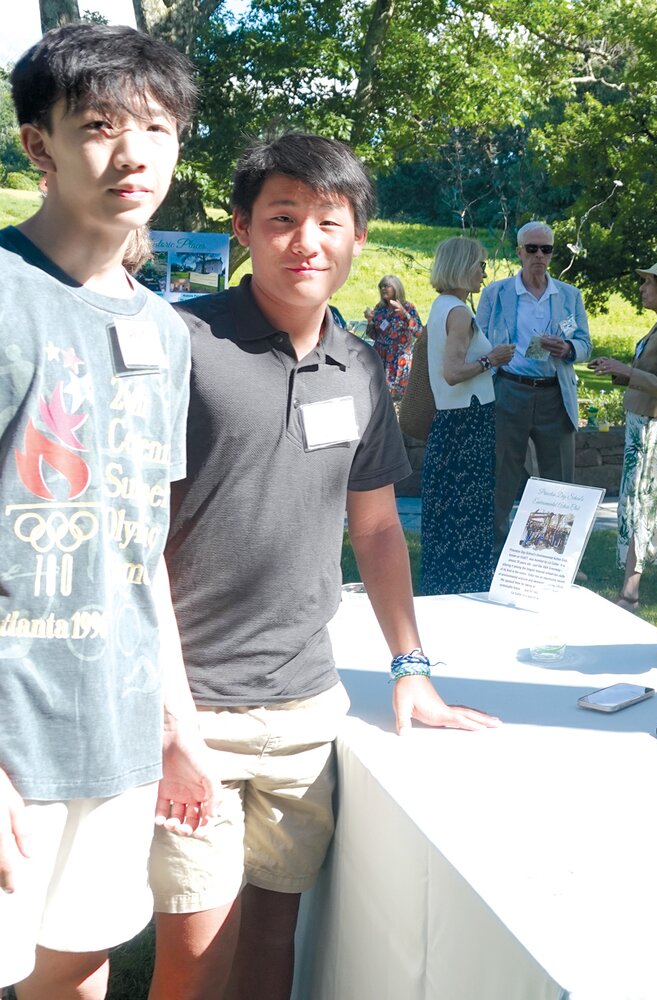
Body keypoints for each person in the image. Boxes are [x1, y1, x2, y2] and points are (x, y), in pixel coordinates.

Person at [151, 133, 500, 1000]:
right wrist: (170, 717)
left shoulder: (358, 368)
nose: (307, 240)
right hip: (197, 709)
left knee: (276, 942)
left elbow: (377, 530)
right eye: (283, 219)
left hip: (307, 707)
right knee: (196, 958)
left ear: (357, 240)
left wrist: (410, 666)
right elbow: (138, 539)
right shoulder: (182, 341)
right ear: (242, 229)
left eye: (328, 221)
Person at [0, 24, 215, 997]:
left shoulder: (165, 332)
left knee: (79, 973)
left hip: (117, 734)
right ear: (36, 144)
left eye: (159, 127)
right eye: (98, 125)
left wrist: (178, 722)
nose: (135, 153)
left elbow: (141, 544)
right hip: (11, 741)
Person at [474, 221, 592, 546]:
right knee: (501, 474)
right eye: (532, 249)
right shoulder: (496, 293)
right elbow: (477, 339)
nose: (539, 255)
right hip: (509, 389)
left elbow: (584, 342)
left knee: (559, 478)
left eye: (547, 249)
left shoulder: (568, 296)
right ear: (519, 252)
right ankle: (493, 551)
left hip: (554, 392)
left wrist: (568, 349)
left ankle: (549, 553)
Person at [587, 259, 657, 608]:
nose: (642, 288)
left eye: (648, 283)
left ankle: (630, 591)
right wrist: (617, 372)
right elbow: (650, 376)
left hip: (654, 427)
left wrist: (627, 371)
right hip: (645, 423)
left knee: (640, 503)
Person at [421, 237, 508, 595]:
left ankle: (443, 584)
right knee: (467, 510)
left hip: (451, 420)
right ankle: (467, 585)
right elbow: (453, 372)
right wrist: (493, 359)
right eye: (480, 265)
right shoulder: (459, 312)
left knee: (448, 508)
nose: (484, 273)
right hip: (468, 421)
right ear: (462, 267)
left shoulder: (441, 306)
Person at [363, 273, 422, 402]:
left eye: (386, 286)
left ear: (396, 288)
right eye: (381, 286)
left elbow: (419, 333)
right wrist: (370, 321)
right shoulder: (379, 308)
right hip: (381, 359)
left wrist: (405, 315)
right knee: (380, 398)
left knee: (400, 399)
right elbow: (374, 335)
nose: (383, 289)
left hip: (399, 359)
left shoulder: (408, 307)